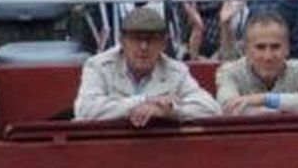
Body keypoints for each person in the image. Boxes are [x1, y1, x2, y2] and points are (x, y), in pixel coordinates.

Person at [73, 6, 221, 124]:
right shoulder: (98, 66)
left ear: (163, 44)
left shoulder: (176, 70)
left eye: (151, 39)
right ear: (122, 41)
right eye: (136, 39)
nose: (143, 47)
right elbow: (85, 110)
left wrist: (168, 111)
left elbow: (211, 109)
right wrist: (143, 100)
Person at [215, 11, 298, 112]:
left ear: (287, 48)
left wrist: (263, 99)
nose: (268, 56)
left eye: (275, 47)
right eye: (260, 47)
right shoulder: (229, 72)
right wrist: (288, 108)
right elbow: (228, 107)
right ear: (247, 50)